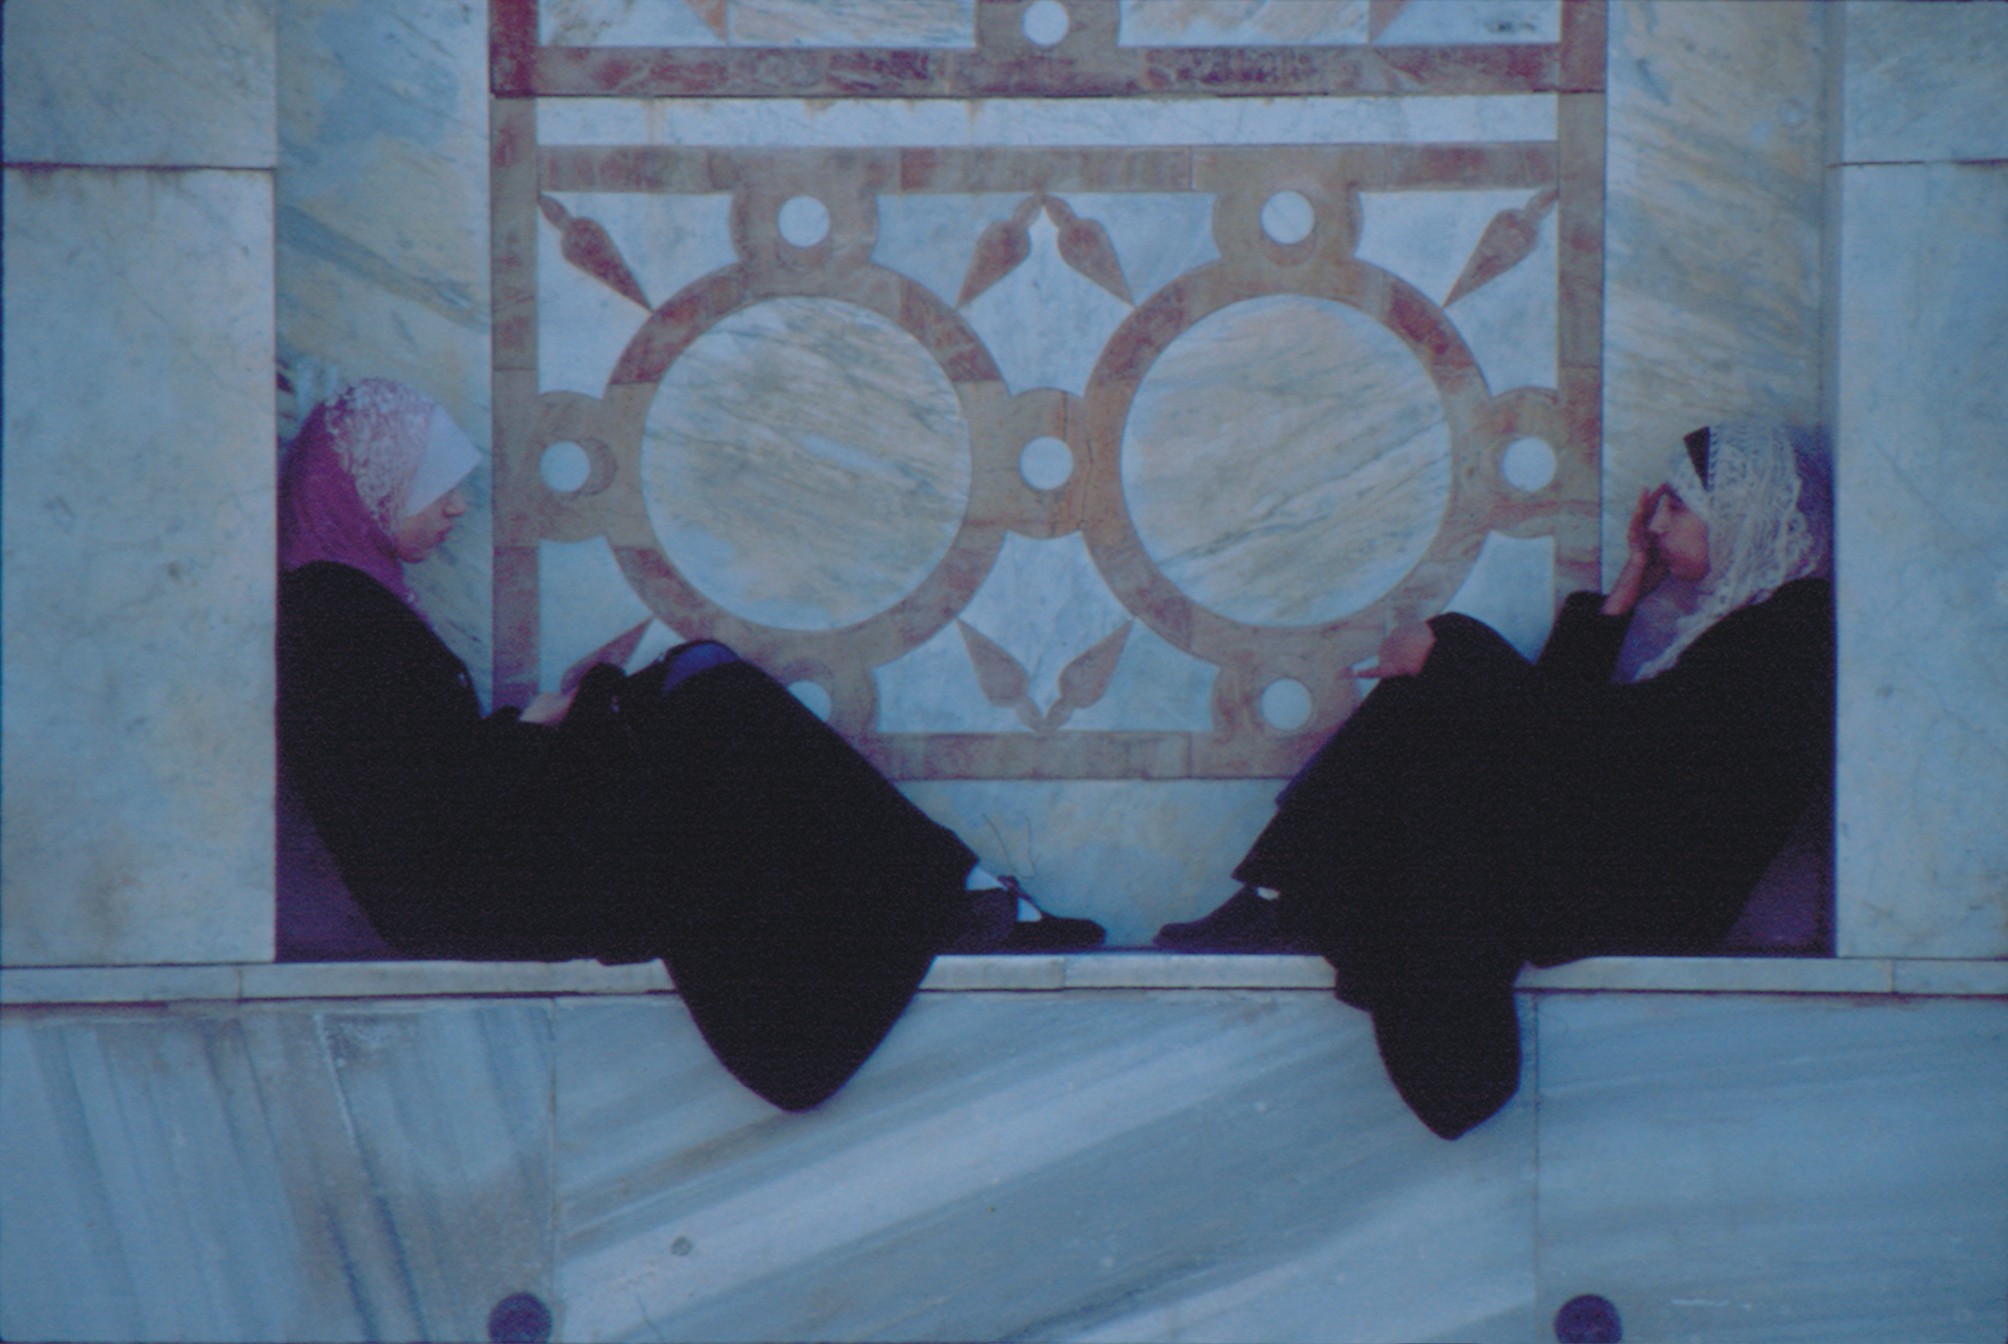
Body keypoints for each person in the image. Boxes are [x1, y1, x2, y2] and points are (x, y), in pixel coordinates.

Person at [276, 379, 1102, 1111]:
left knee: (707, 690)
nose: (458, 507)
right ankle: (954, 899)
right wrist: (546, 727)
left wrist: (551, 725)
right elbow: (426, 807)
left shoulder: (351, 601)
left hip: (486, 870)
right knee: (716, 710)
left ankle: (955, 895)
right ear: (370, 488)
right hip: (479, 897)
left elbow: (425, 773)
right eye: (436, 486)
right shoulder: (339, 619)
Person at [1155, 421, 1835, 1139]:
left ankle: (1287, 903)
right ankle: (1283, 900)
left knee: (1439, 682)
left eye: (1678, 506)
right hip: (1626, 866)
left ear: (1742, 515)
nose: (1657, 524)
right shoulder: (1756, 621)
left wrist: (1451, 655)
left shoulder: (1785, 635)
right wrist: (1628, 587)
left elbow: (1610, 741)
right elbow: (1585, 729)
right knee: (1430, 704)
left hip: (1648, 896)